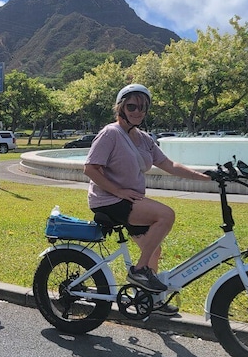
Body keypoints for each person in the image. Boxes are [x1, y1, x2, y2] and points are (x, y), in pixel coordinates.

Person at [83, 84, 210, 316]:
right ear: (121, 107)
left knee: (154, 251)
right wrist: (118, 191)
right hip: (109, 200)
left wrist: (205, 177)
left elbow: (168, 164)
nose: (138, 112)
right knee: (165, 214)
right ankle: (139, 270)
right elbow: (90, 169)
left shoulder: (144, 139)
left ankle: (148, 302)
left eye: (143, 107)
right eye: (132, 106)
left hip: (131, 201)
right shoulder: (111, 133)